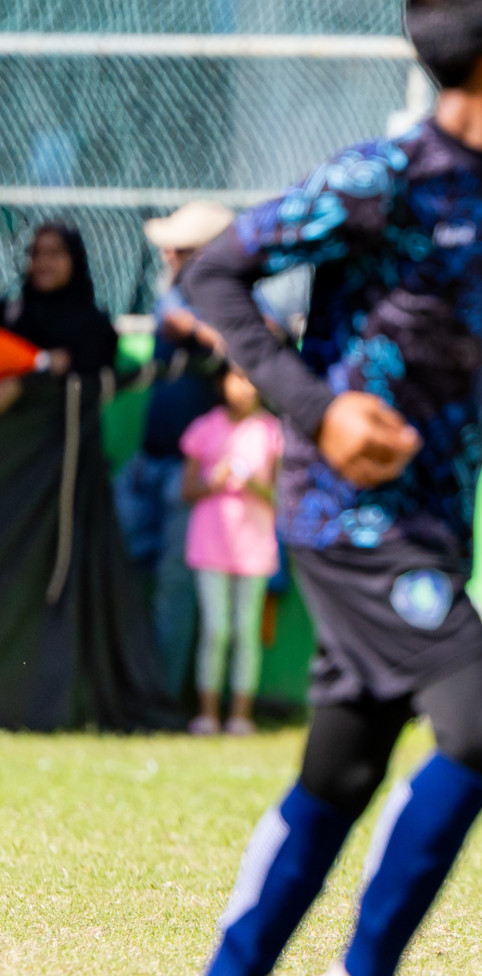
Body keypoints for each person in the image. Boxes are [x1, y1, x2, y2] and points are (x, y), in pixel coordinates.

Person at [147, 3, 482, 976]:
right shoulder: (382, 175)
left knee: (340, 776)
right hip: (353, 517)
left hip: (431, 526)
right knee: (477, 728)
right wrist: (317, 409)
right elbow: (214, 274)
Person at [0, 224, 168, 731]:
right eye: (36, 254)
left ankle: (57, 701)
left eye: (55, 253)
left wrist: (47, 374)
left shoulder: (92, 325)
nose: (43, 263)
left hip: (71, 489)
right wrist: (36, 371)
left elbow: (96, 370)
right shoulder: (12, 315)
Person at [114, 201, 238, 704]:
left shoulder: (233, 300)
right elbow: (170, 318)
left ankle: (161, 698)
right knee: (119, 567)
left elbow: (259, 344)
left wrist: (200, 333)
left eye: (180, 247)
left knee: (174, 589)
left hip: (192, 474)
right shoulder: (173, 298)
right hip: (147, 462)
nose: (168, 253)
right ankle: (121, 684)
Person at [179, 365, 283, 737]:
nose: (245, 386)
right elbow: (186, 490)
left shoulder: (272, 431)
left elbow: (285, 495)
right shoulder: (205, 427)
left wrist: (255, 486)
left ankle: (241, 717)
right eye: (237, 376)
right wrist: (214, 481)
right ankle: (207, 715)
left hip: (254, 546)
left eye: (252, 377)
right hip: (210, 545)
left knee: (246, 631)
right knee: (216, 629)